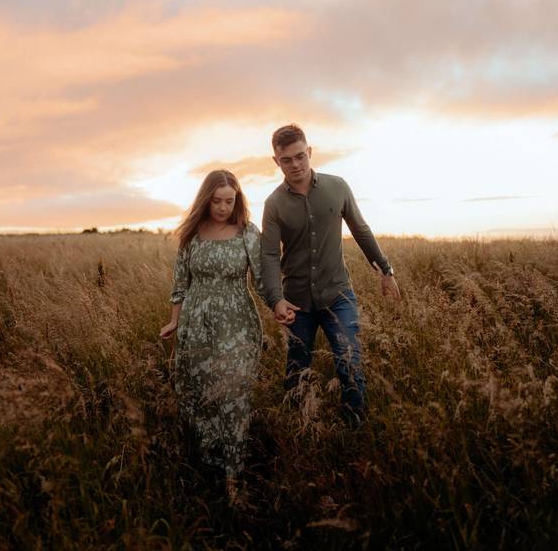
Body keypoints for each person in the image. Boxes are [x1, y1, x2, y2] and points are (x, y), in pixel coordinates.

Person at [260, 124, 400, 427]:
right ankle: (298, 431)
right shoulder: (273, 204)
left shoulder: (338, 187)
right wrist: (276, 300)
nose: (295, 165)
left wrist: (385, 270)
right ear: (276, 162)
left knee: (350, 364)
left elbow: (360, 230)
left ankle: (355, 431)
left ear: (309, 152)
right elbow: (270, 255)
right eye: (287, 160)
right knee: (297, 373)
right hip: (296, 302)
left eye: (300, 156)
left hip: (338, 295)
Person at [159, 169, 273, 503]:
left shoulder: (248, 233)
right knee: (198, 395)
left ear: (237, 200)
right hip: (196, 323)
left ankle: (233, 478)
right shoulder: (192, 234)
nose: (223, 207)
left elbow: (264, 282)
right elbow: (181, 284)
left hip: (237, 322)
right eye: (217, 200)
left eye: (229, 201)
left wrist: (279, 305)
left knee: (234, 396)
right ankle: (207, 467)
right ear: (205, 198)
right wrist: (174, 321)